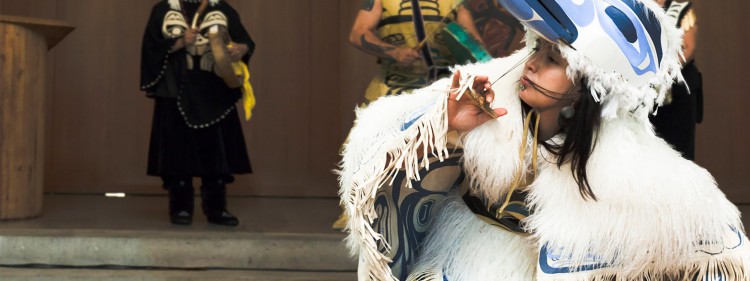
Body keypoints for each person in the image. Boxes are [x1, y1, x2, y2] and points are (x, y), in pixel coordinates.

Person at [338, 0, 750, 280]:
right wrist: (447, 134)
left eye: (553, 59)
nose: (532, 64)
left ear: (590, 85)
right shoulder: (486, 113)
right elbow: (393, 220)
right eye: (537, 49)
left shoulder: (638, 177)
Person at [332, 0, 486, 230]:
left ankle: (439, 219)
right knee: (364, 148)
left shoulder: (455, 2)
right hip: (391, 88)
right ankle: (360, 215)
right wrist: (394, 51)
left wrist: (468, 48)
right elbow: (358, 33)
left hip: (440, 92)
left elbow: (475, 46)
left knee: (448, 154)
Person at [140, 0, 254, 226]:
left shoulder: (222, 9)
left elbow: (246, 42)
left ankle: (217, 208)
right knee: (178, 152)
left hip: (214, 93)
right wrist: (180, 42)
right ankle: (180, 207)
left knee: (215, 154)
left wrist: (240, 49)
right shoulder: (164, 10)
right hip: (176, 91)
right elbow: (150, 48)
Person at [650, 0, 702, 160]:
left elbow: (688, 46)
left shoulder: (681, 9)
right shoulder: (640, 8)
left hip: (678, 91)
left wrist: (665, 71)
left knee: (680, 153)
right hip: (647, 94)